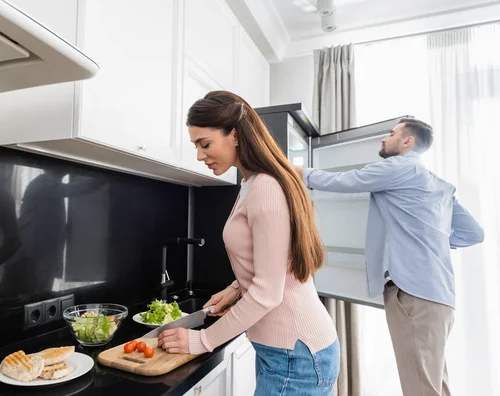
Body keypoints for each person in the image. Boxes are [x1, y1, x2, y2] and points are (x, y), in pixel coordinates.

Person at [157, 90, 340, 395]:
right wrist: (233, 290)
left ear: (236, 135)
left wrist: (201, 342)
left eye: (205, 144)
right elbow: (275, 265)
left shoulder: (265, 188)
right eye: (196, 146)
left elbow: (268, 293)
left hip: (296, 356)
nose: (199, 155)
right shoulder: (251, 182)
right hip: (288, 352)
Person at [295, 118, 484, 396]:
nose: (384, 139)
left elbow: (344, 181)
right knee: (434, 384)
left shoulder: (399, 168)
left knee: (421, 388)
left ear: (408, 141)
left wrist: (300, 172)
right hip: (441, 299)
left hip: (414, 296)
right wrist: (433, 239)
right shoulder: (440, 185)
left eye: (392, 133)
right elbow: (474, 233)